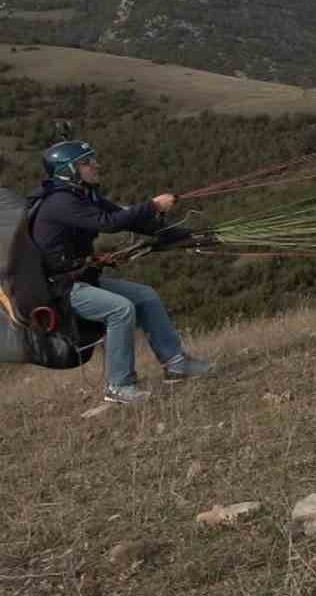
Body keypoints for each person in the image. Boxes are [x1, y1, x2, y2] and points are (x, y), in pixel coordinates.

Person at [25, 139, 213, 404]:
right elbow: (110, 223)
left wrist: (187, 236)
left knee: (145, 296)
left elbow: (132, 220)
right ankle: (119, 386)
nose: (95, 165)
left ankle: (176, 364)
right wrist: (153, 205)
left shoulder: (83, 195)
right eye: (86, 162)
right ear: (67, 170)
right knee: (120, 309)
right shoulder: (60, 202)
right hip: (58, 289)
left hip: (80, 278)